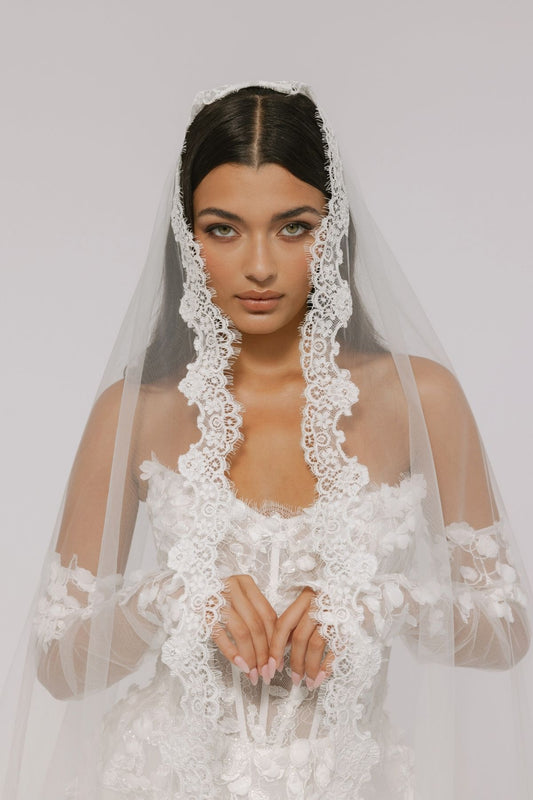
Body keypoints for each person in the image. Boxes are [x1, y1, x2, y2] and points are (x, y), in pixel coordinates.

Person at [1, 81, 532, 800]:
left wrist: (375, 601)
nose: (258, 264)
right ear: (187, 239)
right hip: (165, 781)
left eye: (293, 227)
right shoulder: (136, 408)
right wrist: (173, 598)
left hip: (347, 779)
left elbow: (505, 631)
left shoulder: (419, 398)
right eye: (223, 228)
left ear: (334, 227)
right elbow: (58, 664)